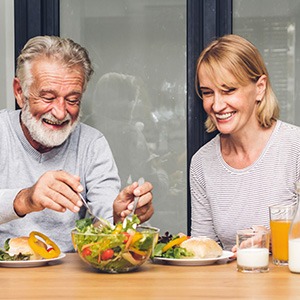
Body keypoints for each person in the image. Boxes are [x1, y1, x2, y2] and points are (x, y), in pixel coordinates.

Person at [0, 36, 154, 252]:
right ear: (19, 92)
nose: (61, 112)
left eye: (72, 100)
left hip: (70, 276)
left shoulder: (92, 144)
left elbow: (103, 221)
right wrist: (25, 199)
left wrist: (119, 217)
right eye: (48, 97)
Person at [190, 34, 300, 254]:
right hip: (229, 286)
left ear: (259, 88)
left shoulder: (295, 147)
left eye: (228, 90)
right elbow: (204, 252)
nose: (217, 105)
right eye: (207, 93)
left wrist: (269, 243)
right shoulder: (201, 163)